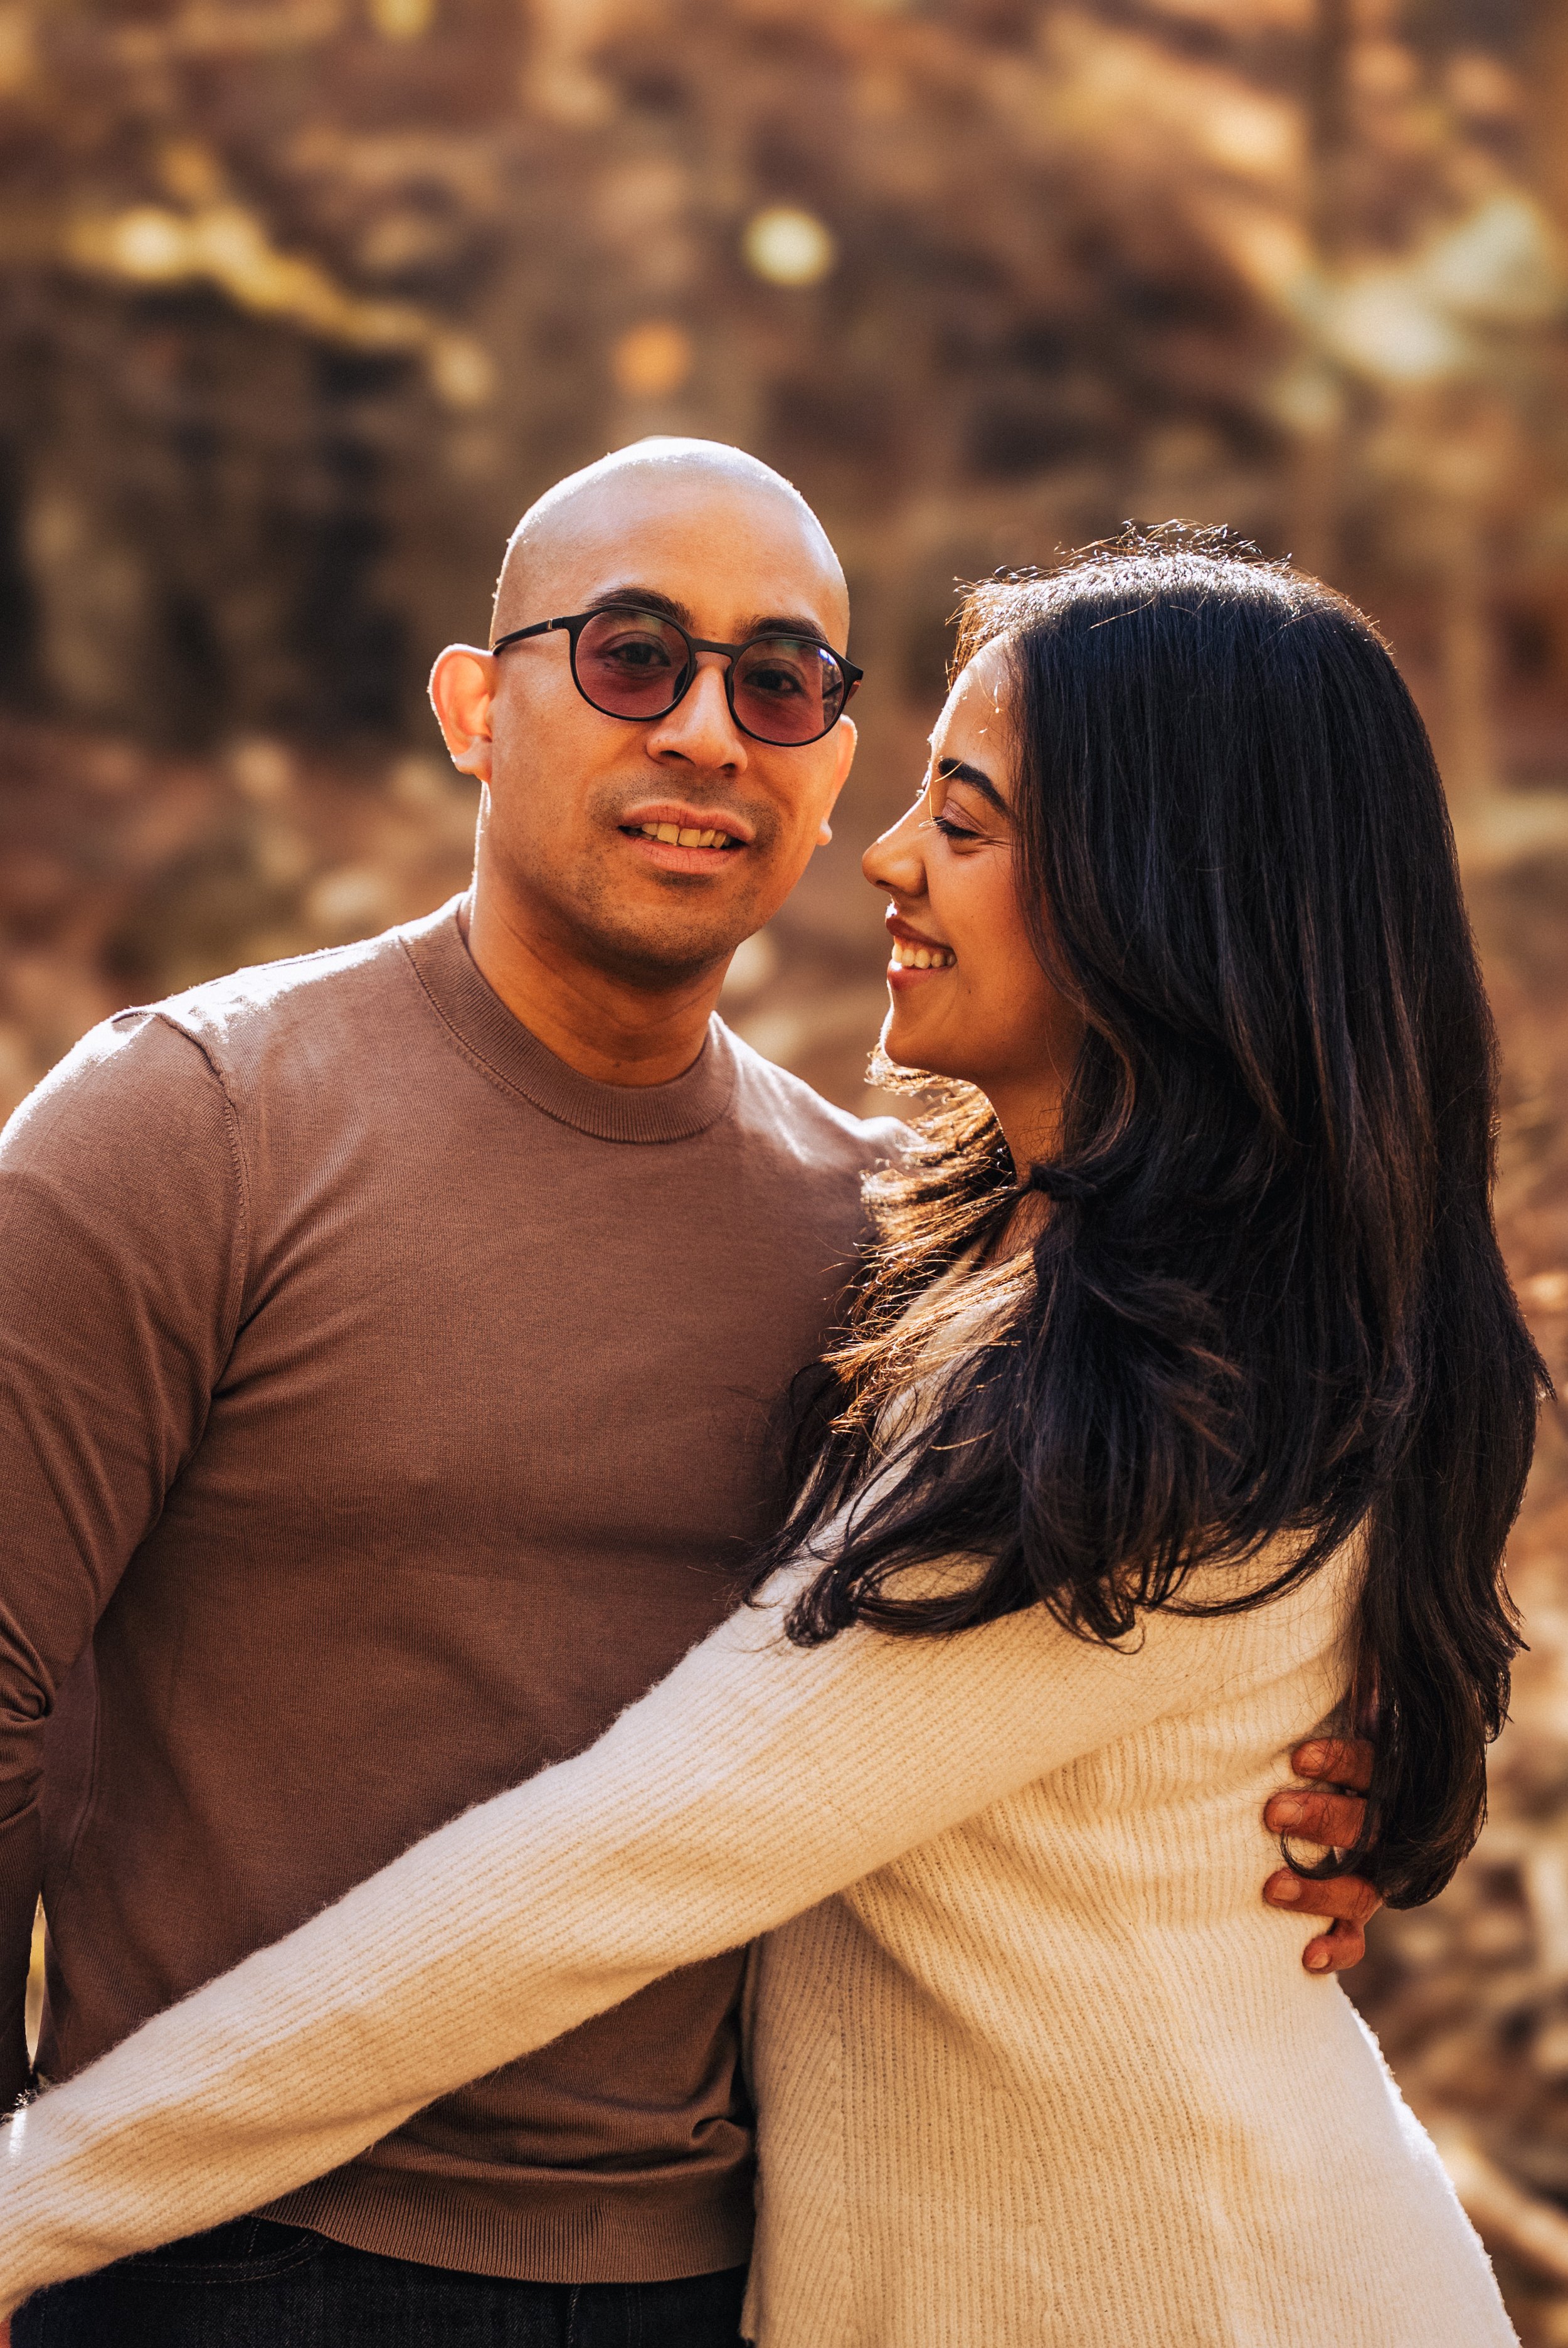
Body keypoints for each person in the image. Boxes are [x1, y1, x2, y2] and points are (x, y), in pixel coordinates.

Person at [0, 533, 1527, 2343]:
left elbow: (613, 1863)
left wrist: (32, 2203)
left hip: (1184, 2284)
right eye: (633, 658)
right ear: (477, 707)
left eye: (959, 819)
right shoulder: (964, 1272)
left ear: (1162, 898)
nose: (884, 851)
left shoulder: (1131, 1397)